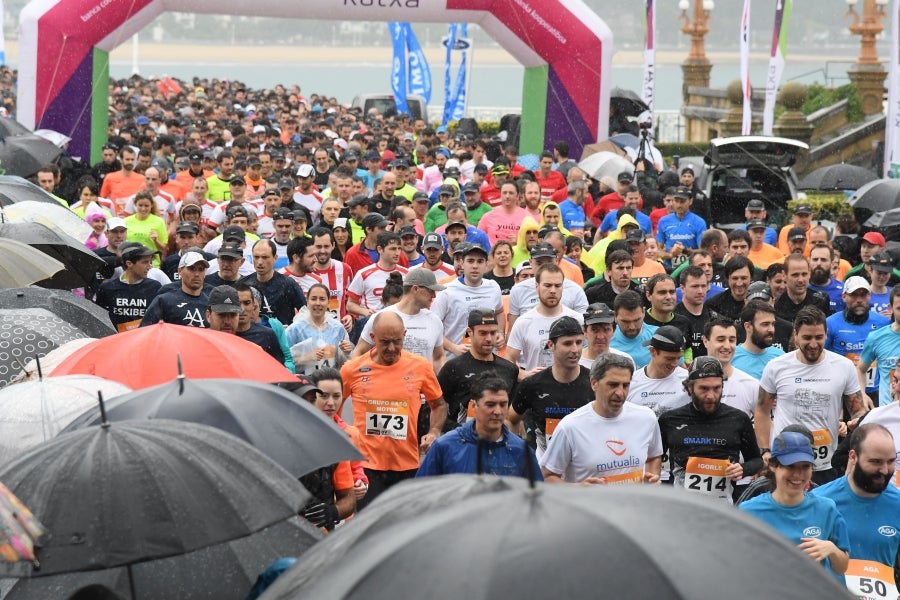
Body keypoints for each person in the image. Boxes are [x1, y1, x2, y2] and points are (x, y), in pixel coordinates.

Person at [341, 311, 447, 508]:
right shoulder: (353, 369)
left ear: (404, 335)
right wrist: (343, 440)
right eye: (385, 342)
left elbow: (439, 404)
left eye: (397, 341)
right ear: (372, 338)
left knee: (404, 530)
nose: (392, 348)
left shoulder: (420, 367)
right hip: (366, 467)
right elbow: (334, 410)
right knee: (370, 530)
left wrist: (434, 431)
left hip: (406, 465)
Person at [756, 306, 864, 485]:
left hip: (826, 464)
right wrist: (765, 451)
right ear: (795, 334)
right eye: (807, 337)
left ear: (826, 334)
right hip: (786, 462)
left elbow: (858, 410)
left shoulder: (843, 366)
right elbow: (761, 410)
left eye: (819, 337)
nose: (813, 344)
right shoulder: (776, 366)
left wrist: (856, 422)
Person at [738, 431, 850, 579]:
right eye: (790, 466)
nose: (798, 475)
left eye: (805, 466)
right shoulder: (749, 511)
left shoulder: (826, 509)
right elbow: (735, 564)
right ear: (773, 466)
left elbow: (842, 568)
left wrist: (831, 549)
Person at [539, 353, 663, 484]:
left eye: (625, 385)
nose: (620, 393)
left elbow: (653, 457)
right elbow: (547, 476)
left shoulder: (646, 418)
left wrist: (652, 481)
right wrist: (577, 489)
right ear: (594, 383)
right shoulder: (570, 427)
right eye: (613, 385)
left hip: (633, 504)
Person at [811, 424, 900, 598]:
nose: (884, 470)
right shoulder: (820, 501)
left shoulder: (897, 503)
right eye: (876, 462)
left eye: (890, 461)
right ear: (853, 457)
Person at [658, 356, 762, 503]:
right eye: (704, 389)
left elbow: (757, 460)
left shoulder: (738, 419)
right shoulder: (670, 420)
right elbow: (654, 459)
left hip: (722, 507)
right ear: (689, 387)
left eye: (717, 388)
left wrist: (742, 469)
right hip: (681, 506)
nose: (711, 396)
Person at [417, 372, 542, 479]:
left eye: (503, 404)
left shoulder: (521, 451)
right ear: (473, 406)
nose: (498, 411)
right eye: (490, 405)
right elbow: (423, 494)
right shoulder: (445, 447)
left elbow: (535, 499)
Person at [508, 316, 594, 458]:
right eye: (567, 343)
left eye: (579, 342)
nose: (575, 349)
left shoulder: (594, 382)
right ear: (551, 345)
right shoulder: (533, 384)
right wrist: (516, 453)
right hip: (544, 465)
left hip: (583, 465)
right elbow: (510, 419)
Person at [289, 374, 356, 532]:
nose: (309, 406)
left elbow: (349, 498)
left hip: (320, 536)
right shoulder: (265, 441)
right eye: (301, 400)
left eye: (312, 400)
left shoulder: (334, 443)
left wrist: (333, 512)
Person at [353, 268, 446, 373]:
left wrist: (440, 384)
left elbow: (439, 357)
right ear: (415, 289)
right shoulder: (381, 317)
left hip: (422, 386)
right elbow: (359, 351)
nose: (434, 295)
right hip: (388, 385)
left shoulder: (435, 321)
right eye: (430, 290)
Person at [438, 309, 519, 428]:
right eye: (483, 333)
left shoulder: (509, 369)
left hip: (496, 439)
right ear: (469, 332)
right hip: (462, 440)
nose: (489, 339)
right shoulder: (454, 367)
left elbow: (513, 414)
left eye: (493, 333)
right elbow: (436, 406)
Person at [506, 263, 584, 374]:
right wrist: (524, 375)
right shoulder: (524, 322)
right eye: (547, 285)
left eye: (557, 286)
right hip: (536, 387)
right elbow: (509, 360)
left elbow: (587, 355)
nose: (553, 290)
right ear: (537, 286)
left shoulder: (577, 319)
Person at [430, 243, 505, 357]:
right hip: (456, 360)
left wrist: (499, 332)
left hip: (487, 359)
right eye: (470, 261)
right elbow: (433, 327)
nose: (475, 266)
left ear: (486, 265)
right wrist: (453, 347)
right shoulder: (447, 291)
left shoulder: (493, 287)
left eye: (480, 261)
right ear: (462, 264)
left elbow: (499, 312)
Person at [307, 367, 369, 503]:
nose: (331, 403)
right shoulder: (301, 430)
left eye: (336, 396)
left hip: (342, 513)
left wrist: (361, 483)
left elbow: (356, 467)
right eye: (324, 396)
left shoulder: (351, 433)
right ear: (312, 396)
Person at [826, 277, 890, 408]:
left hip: (874, 391)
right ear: (844, 297)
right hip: (842, 391)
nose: (859, 300)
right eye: (854, 295)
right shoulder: (831, 323)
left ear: (869, 296)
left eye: (863, 295)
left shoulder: (882, 323)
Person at [94, 243, 161, 332]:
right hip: (115, 340)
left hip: (143, 340)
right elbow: (98, 317)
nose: (150, 266)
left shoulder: (155, 287)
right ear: (129, 263)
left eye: (150, 262)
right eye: (145, 262)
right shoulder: (107, 288)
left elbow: (160, 318)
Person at [626, 325, 689, 419]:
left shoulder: (689, 380)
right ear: (653, 351)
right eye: (669, 358)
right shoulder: (631, 383)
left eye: (678, 358)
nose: (675, 364)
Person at [240, 239, 307, 325]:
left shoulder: (288, 285)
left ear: (275, 258)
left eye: (265, 257)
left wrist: (291, 329)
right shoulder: (243, 285)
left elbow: (305, 314)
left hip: (281, 336)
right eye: (256, 257)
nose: (260, 262)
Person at [703, 317, 759, 419]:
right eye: (721, 340)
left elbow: (763, 426)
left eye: (732, 340)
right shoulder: (690, 383)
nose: (727, 346)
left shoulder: (751, 385)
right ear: (705, 341)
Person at [346, 231, 409, 317]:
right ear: (380, 249)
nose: (397, 253)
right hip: (372, 323)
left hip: (401, 323)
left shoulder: (407, 274)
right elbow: (350, 305)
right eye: (393, 249)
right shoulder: (364, 274)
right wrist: (365, 312)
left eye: (399, 248)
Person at [140, 251, 210, 328]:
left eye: (201, 269)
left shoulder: (211, 304)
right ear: (180, 271)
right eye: (192, 269)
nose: (197, 274)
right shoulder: (164, 301)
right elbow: (145, 330)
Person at [857, 284, 900, 409]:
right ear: (890, 308)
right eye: (899, 308)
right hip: (887, 414)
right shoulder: (876, 337)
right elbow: (860, 369)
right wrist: (862, 394)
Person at [235, 283, 292, 366]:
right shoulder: (222, 334)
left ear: (253, 306)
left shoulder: (267, 334)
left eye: (247, 303)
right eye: (237, 303)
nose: (242, 309)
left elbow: (278, 368)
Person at [731, 300, 786, 379]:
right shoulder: (732, 357)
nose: (771, 329)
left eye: (773, 324)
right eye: (765, 324)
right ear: (748, 326)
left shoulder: (780, 357)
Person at [775, 254, 832, 323]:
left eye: (804, 274)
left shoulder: (821, 300)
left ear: (809, 274)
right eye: (795, 275)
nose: (800, 280)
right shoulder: (776, 306)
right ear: (784, 276)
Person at [609, 290, 658, 369]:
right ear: (615, 316)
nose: (632, 327)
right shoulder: (605, 340)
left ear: (643, 312)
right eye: (625, 321)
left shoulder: (659, 336)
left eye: (636, 320)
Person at [579, 303, 633, 369]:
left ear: (613, 331)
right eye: (595, 330)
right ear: (584, 331)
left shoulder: (624, 362)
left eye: (606, 330)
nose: (600, 337)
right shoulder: (575, 362)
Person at [125, 190, 168, 262]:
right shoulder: (126, 221)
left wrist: (156, 240)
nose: (143, 209)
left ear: (152, 205)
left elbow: (164, 249)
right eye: (140, 205)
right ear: (135, 204)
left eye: (146, 206)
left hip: (151, 263)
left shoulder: (159, 221)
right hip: (131, 263)